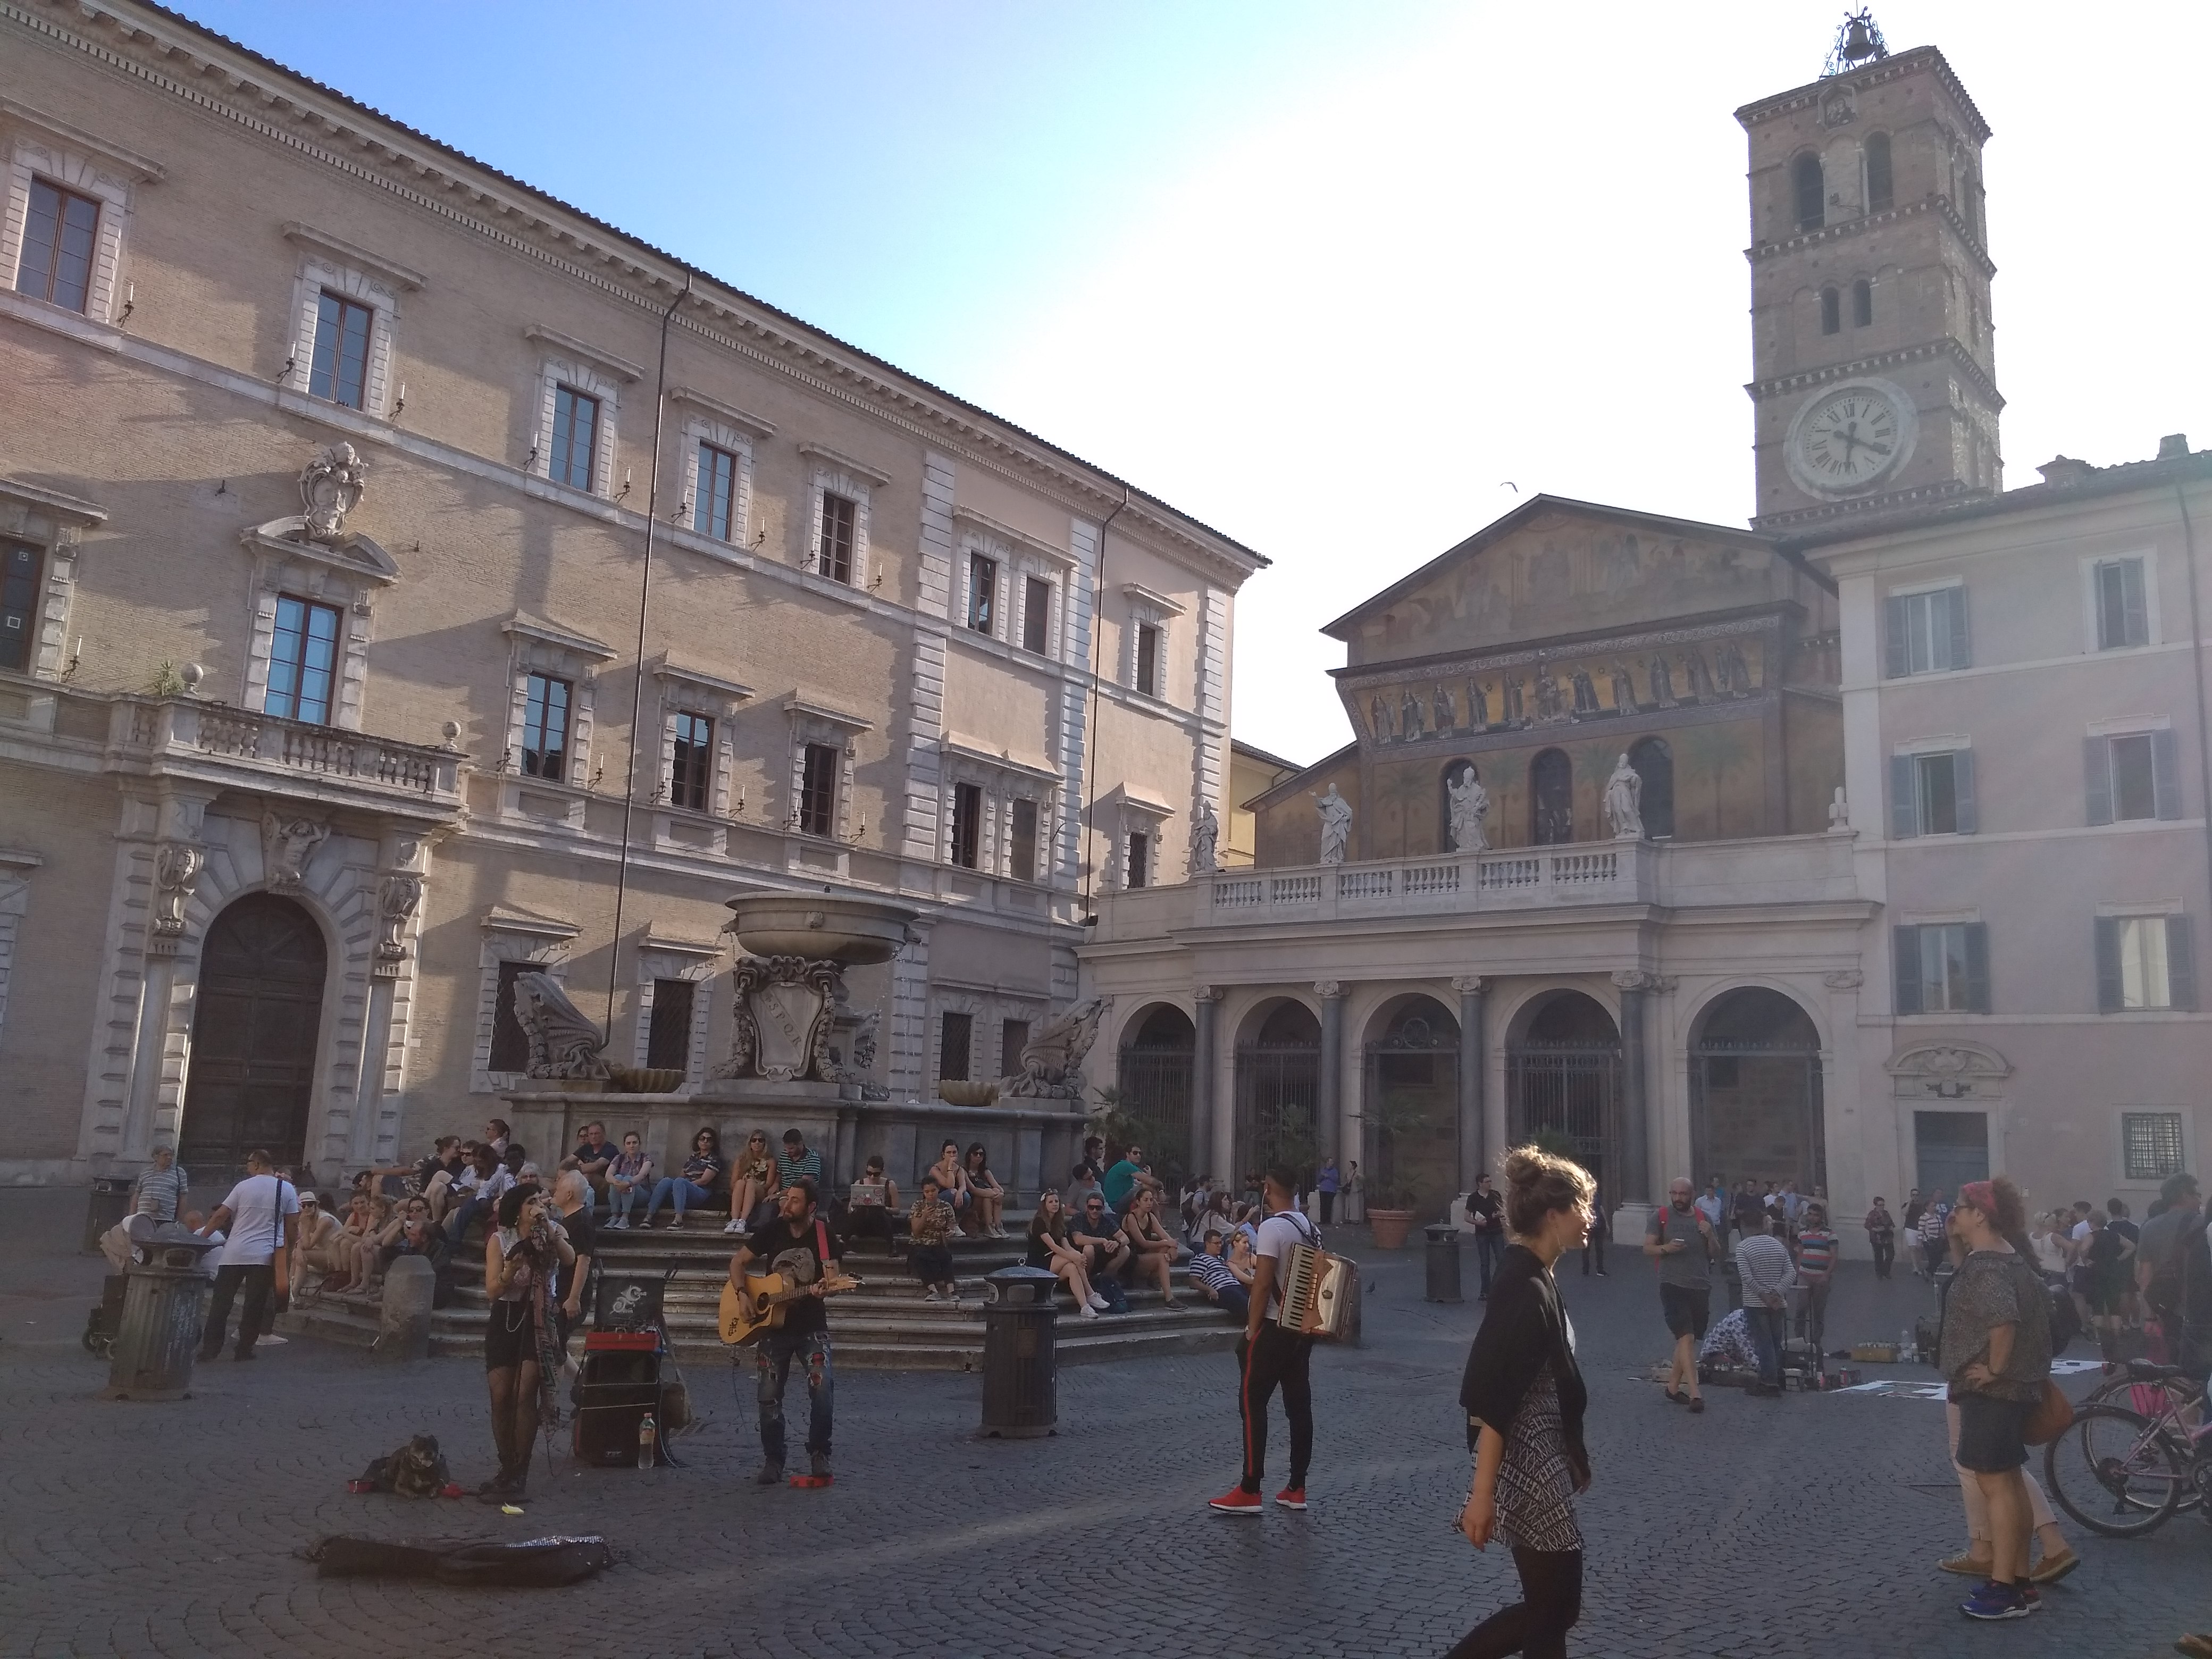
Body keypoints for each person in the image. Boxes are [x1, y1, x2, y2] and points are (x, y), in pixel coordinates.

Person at [1446, 1143, 1595, 1659]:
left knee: (1551, 1611)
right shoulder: (1523, 1285)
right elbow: (1494, 1394)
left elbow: (1550, 1375)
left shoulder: (1537, 1276)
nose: (1589, 1218)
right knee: (1553, 1609)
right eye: (1582, 1206)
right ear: (1554, 1214)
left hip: (1541, 1455)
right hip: (1527, 1460)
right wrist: (1481, 1495)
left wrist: (1571, 1447)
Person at [1939, 1176, 2055, 1621]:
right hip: (2013, 1390)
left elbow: (2003, 1320)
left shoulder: (1988, 1267)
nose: (1954, 1213)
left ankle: (2003, 1587)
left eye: (1960, 1207)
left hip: (1994, 1392)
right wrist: (1956, 1242)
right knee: (2009, 1482)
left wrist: (1995, 1369)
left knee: (1996, 1485)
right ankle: (2021, 1583)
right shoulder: (2008, 1259)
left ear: (1980, 1214)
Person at [1210, 1165, 1322, 1515]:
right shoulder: (1312, 1228)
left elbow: (1262, 1283)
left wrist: (1251, 1329)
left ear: (1269, 1188)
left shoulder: (1273, 1227)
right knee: (1298, 1406)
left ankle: (1250, 1488)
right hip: (1301, 1330)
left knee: (1252, 1401)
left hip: (1274, 1326)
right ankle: (1296, 1487)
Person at [730, 1178, 842, 1486]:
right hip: (772, 1328)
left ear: (811, 1207)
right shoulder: (772, 1230)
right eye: (786, 1198)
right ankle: (773, 1459)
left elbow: (833, 1281)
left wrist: (826, 1289)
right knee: (768, 1398)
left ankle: (819, 1453)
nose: (786, 1205)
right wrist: (742, 1294)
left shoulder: (825, 1235)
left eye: (795, 1201)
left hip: (811, 1328)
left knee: (822, 1392)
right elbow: (738, 1263)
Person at [481, 1183, 572, 1499]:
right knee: (501, 1396)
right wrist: (510, 1271)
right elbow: (492, 1290)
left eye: (539, 1200)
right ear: (517, 1209)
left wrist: (550, 1230)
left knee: (524, 1395)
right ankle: (506, 1466)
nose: (538, 1206)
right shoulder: (500, 1240)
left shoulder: (552, 1230)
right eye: (530, 1202)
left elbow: (570, 1259)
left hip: (539, 1318)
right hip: (506, 1317)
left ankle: (521, 1471)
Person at [196, 1150, 300, 1362]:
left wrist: (201, 1239)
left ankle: (210, 1349)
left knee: (221, 1303)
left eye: (249, 1163)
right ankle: (244, 1349)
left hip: (233, 1252)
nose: (247, 1167)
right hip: (263, 1255)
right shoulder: (286, 1188)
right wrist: (289, 1249)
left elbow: (220, 1216)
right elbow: (293, 1223)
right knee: (254, 1305)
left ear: (257, 1164)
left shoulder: (243, 1186)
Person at [1645, 1177, 1712, 1413]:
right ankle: (1695, 1393)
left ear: (1692, 1195)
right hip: (1671, 1283)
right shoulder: (1661, 1216)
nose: (1678, 1198)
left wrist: (1710, 1235)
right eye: (1674, 1193)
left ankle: (1672, 1387)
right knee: (1686, 1336)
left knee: (1688, 1339)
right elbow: (1647, 1248)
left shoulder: (1704, 1218)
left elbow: (1715, 1252)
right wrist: (1667, 1248)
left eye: (1682, 1194)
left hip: (1700, 1284)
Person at [1733, 1211, 1794, 1397]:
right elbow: (1791, 1273)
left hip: (1755, 1303)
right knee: (1775, 1343)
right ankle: (1776, 1377)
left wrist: (1764, 1296)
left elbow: (1746, 1276)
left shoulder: (1743, 1247)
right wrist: (1777, 1293)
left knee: (1763, 1343)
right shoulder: (1778, 1245)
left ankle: (1769, 1382)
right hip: (1778, 1303)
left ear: (1744, 1227)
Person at [1025, 1190, 1104, 1318]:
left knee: (1072, 1268)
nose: (1054, 1204)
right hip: (1038, 1264)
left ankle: (1084, 1307)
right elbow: (1053, 1247)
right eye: (1051, 1202)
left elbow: (1067, 1247)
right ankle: (1090, 1292)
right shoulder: (1039, 1222)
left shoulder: (1058, 1223)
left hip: (1053, 1261)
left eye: (1056, 1201)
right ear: (1044, 1205)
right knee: (1072, 1260)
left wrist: (1078, 1255)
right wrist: (1073, 1257)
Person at [642, 1127, 724, 1228]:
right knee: (666, 1181)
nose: (705, 1141)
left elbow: (704, 1181)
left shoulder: (714, 1159)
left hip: (701, 1192)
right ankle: (648, 1217)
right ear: (698, 1141)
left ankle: (678, 1220)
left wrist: (685, 1185)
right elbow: (682, 1175)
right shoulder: (693, 1157)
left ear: (713, 1143)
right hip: (684, 1189)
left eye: (709, 1139)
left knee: (680, 1182)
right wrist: (678, 1187)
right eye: (702, 1138)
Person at [550, 1169, 596, 1347]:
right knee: (557, 1344)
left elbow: (584, 1260)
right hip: (562, 1289)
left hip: (570, 1293)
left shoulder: (581, 1221)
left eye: (559, 1189)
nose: (555, 1192)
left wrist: (574, 1298)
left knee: (556, 1343)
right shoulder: (570, 1218)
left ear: (569, 1194)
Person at [1120, 1187, 1183, 1308]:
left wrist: (1173, 1246)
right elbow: (1143, 1243)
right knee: (1163, 1257)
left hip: (1143, 1256)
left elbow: (1166, 1236)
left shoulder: (1151, 1217)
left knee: (1167, 1248)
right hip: (1130, 1259)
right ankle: (1169, 1298)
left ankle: (1152, 1278)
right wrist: (1166, 1243)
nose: (1149, 1203)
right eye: (1146, 1200)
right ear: (1138, 1202)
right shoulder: (1131, 1218)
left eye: (1151, 1200)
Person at [443, 1142, 513, 1244]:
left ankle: (452, 1241)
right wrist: (482, 1197)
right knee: (456, 1211)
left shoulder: (501, 1169)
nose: (478, 1165)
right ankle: (444, 1239)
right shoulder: (481, 1170)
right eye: (477, 1162)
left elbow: (497, 1190)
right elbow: (485, 1189)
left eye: (480, 1161)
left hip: (498, 1203)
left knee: (471, 1202)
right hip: (484, 1200)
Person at [1792, 1204, 1838, 1352]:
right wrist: (1797, 1271)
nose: (1812, 1218)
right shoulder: (1802, 1234)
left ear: (1821, 1217)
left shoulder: (1830, 1234)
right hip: (1805, 1275)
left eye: (1816, 1215)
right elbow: (1801, 1253)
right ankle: (1799, 1340)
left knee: (1818, 1311)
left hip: (1821, 1277)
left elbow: (1834, 1256)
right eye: (1810, 1214)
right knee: (1801, 1309)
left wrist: (1827, 1275)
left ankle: (1816, 1342)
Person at [906, 1176, 959, 1302]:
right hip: (920, 1243)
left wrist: (950, 1232)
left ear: (938, 1190)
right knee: (919, 1257)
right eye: (927, 1192)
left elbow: (951, 1227)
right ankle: (932, 1291)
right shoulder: (918, 1206)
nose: (930, 1194)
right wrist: (924, 1216)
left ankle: (951, 1291)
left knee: (946, 1256)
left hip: (938, 1243)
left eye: (933, 1191)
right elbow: (916, 1232)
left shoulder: (946, 1207)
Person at [1068, 1190, 1131, 1289]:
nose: (1094, 1211)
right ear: (1086, 1207)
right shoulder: (1079, 1218)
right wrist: (1102, 1240)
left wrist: (1117, 1243)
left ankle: (1103, 1280)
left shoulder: (1106, 1220)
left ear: (1103, 1209)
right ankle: (1085, 1281)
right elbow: (1078, 1240)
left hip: (1101, 1257)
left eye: (1098, 1208)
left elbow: (1125, 1238)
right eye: (1091, 1207)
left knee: (1126, 1249)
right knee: (1089, 1249)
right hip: (1080, 1258)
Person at [1187, 1227, 1252, 1321]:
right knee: (1246, 1304)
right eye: (1216, 1243)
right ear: (1207, 1244)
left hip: (1237, 1286)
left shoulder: (1221, 1259)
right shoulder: (1200, 1259)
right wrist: (1209, 1289)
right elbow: (1193, 1281)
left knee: (1257, 1302)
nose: (1220, 1246)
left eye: (1221, 1243)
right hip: (1222, 1289)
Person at [291, 1191, 348, 1289]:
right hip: (322, 1253)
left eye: (310, 1205)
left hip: (335, 1257)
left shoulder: (325, 1220)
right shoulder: (305, 1219)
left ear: (316, 1205)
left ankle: (295, 1290)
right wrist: (299, 1249)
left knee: (302, 1255)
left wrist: (306, 1228)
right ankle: (290, 1286)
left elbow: (308, 1245)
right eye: (304, 1206)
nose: (307, 1208)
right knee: (296, 1253)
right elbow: (302, 1242)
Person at [844, 1155, 901, 1250]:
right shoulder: (859, 1183)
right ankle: (843, 1241)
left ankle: (891, 1244)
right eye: (869, 1173)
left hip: (881, 1223)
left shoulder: (890, 1185)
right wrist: (857, 1205)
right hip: (863, 1223)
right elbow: (850, 1210)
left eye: (876, 1174)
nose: (872, 1177)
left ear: (882, 1172)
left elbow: (897, 1210)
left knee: (876, 1210)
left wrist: (884, 1208)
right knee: (862, 1211)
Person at [725, 1129, 777, 1233]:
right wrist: (744, 1184)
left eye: (760, 1140)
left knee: (750, 1183)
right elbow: (733, 1183)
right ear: (750, 1143)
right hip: (742, 1189)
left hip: (760, 1190)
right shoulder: (741, 1160)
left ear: (765, 1143)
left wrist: (752, 1183)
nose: (757, 1143)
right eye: (754, 1140)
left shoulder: (770, 1161)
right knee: (740, 1183)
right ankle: (734, 1220)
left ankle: (743, 1221)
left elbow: (768, 1184)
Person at [1465, 1174, 1506, 1299]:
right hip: (1482, 1233)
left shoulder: (1495, 1195)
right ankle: (1485, 1291)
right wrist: (1479, 1223)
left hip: (1497, 1231)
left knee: (1501, 1260)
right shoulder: (1473, 1198)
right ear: (1480, 1184)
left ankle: (1502, 1289)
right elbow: (1467, 1217)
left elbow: (1502, 1210)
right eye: (1487, 1182)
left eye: (1490, 1181)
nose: (1490, 1184)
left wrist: (1499, 1215)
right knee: (1485, 1263)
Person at [602, 1132, 652, 1229]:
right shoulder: (619, 1158)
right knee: (617, 1178)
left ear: (639, 1144)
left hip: (641, 1194)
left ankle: (625, 1218)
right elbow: (608, 1175)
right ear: (625, 1145)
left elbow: (642, 1175)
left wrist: (627, 1184)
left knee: (628, 1178)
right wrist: (617, 1183)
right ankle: (615, 1216)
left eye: (635, 1143)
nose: (632, 1146)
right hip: (622, 1193)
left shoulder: (645, 1157)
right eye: (628, 1143)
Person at [132, 1144, 189, 1224]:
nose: (169, 1158)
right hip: (143, 1218)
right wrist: (131, 1217)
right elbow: (137, 1194)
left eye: (171, 1155)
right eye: (166, 1155)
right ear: (156, 1157)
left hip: (166, 1219)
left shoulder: (179, 1173)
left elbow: (183, 1197)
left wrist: (179, 1220)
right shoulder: (145, 1172)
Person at [560, 1120, 617, 1200]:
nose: (594, 1137)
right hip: (585, 1183)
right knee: (545, 1181)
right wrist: (562, 1171)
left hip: (606, 1186)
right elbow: (566, 1161)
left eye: (597, 1134)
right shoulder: (586, 1147)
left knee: (587, 1176)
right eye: (591, 1134)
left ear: (604, 1134)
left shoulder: (610, 1149)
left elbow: (596, 1166)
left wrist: (572, 1170)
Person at [1102, 1142, 1162, 1214]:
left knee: (1151, 1201)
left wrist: (1149, 1175)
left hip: (1119, 1201)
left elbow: (1146, 1178)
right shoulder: (1125, 1165)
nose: (1138, 1155)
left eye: (1140, 1153)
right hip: (1115, 1205)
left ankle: (1157, 1221)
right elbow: (1149, 1181)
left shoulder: (1129, 1167)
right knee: (1143, 1188)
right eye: (1135, 1153)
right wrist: (1161, 1189)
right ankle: (1159, 1199)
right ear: (1128, 1154)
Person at [963, 1142, 1006, 1238]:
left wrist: (1001, 1194)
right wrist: (991, 1193)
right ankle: (989, 1227)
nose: (978, 1156)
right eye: (976, 1154)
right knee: (989, 1194)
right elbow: (972, 1189)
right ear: (970, 1155)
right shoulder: (964, 1171)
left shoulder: (985, 1171)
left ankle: (998, 1226)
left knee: (996, 1191)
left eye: (981, 1154)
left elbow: (999, 1187)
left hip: (986, 1201)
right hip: (973, 1204)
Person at [926, 1138, 972, 1227]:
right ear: (943, 1155)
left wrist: (959, 1192)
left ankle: (956, 1223)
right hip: (935, 1198)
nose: (952, 1155)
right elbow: (949, 1185)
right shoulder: (935, 1169)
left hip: (953, 1197)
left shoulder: (960, 1170)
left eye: (954, 1152)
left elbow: (963, 1186)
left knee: (966, 1196)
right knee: (952, 1192)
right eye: (949, 1153)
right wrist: (950, 1167)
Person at [776, 1128, 825, 1195]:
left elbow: (802, 1186)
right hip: (783, 1194)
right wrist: (776, 1184)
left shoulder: (812, 1158)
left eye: (791, 1148)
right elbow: (779, 1173)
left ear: (800, 1144)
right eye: (786, 1148)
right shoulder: (784, 1155)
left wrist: (778, 1195)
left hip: (802, 1195)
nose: (788, 1151)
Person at [1918, 1189, 1951, 1279]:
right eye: (1932, 1206)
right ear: (1927, 1207)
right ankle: (1931, 1273)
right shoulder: (1924, 1217)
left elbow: (1941, 1226)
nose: (1934, 1208)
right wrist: (1920, 1241)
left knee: (1939, 1259)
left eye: (1935, 1206)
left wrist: (1943, 1234)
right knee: (1932, 1258)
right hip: (1928, 1241)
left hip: (1938, 1240)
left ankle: (1929, 1271)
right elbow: (1921, 1230)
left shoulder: (1937, 1216)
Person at [1578, 1183, 1608, 1277]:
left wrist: (1606, 1223)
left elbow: (1601, 1208)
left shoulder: (1597, 1195)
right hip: (1589, 1226)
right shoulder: (1584, 1196)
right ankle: (1586, 1269)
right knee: (1586, 1248)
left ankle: (1600, 1269)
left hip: (1598, 1225)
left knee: (1599, 1249)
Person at [1864, 1196, 1897, 1280]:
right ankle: (1879, 1273)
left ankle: (1886, 1270)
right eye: (1880, 1205)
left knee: (1891, 1254)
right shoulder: (1872, 1214)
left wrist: (1891, 1227)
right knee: (1879, 1256)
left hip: (1887, 1236)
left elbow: (1891, 1223)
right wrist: (1876, 1230)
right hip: (1877, 1238)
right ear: (1876, 1205)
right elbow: (1867, 1225)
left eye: (1883, 1205)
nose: (1882, 1207)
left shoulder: (1886, 1213)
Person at [1316, 1158, 1341, 1226]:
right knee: (1323, 1205)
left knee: (1329, 1205)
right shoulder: (1323, 1170)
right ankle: (1322, 1220)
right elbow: (1319, 1179)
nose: (1332, 1163)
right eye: (1331, 1162)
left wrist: (1328, 1176)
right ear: (1327, 1162)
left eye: (1332, 1162)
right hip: (1323, 1189)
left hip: (1331, 1190)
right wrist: (1323, 1176)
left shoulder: (1334, 1171)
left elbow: (1336, 1179)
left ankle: (1328, 1220)